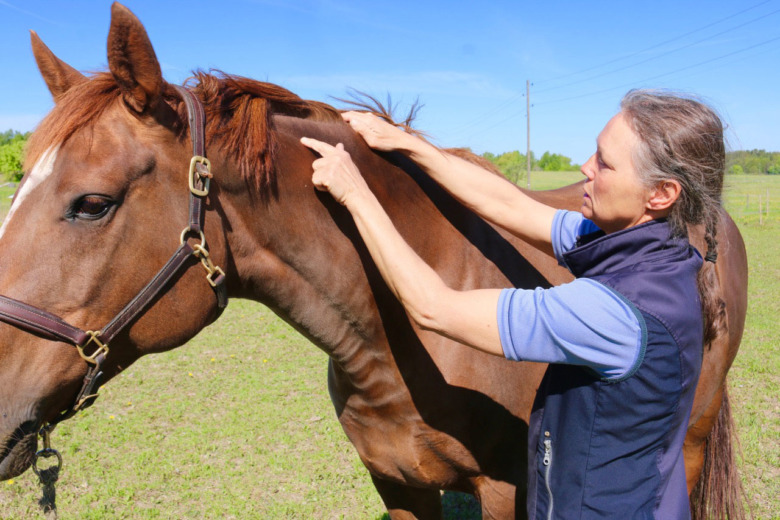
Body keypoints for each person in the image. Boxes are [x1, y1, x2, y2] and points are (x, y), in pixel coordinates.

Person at [301, 89, 725, 519]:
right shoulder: (645, 249)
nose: (585, 168)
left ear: (661, 194)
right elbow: (508, 203)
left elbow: (434, 307)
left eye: (604, 162)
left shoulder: (615, 311)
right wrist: (407, 143)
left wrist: (355, 194)